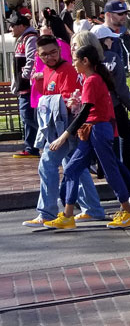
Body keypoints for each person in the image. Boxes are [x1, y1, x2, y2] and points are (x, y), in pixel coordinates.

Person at [42, 46, 130, 230]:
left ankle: (128, 212)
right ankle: (68, 216)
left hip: (98, 130)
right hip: (92, 130)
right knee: (71, 169)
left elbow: (85, 111)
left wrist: (63, 136)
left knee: (110, 171)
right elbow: (87, 110)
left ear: (85, 61)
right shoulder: (92, 79)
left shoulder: (92, 80)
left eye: (75, 60)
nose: (73, 64)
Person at [22, 36, 106, 228]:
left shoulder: (68, 70)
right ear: (38, 55)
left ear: (59, 49)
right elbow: (48, 98)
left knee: (47, 164)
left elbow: (72, 103)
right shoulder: (47, 71)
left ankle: (47, 213)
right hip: (59, 128)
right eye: (45, 54)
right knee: (76, 168)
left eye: (53, 52)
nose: (50, 57)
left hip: (67, 129)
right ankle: (93, 209)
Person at [92, 4, 130, 181]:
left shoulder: (87, 59)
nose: (123, 16)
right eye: (120, 13)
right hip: (112, 103)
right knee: (122, 136)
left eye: (125, 13)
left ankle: (103, 170)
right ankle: (129, 173)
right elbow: (120, 85)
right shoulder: (111, 57)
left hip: (93, 105)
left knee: (102, 138)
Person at [8, 13, 40, 158]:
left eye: (13, 25)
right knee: (27, 118)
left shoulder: (30, 38)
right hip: (24, 86)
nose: (10, 28)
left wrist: (24, 77)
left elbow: (32, 60)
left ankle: (47, 139)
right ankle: (30, 147)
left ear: (22, 26)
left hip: (28, 87)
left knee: (28, 117)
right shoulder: (22, 39)